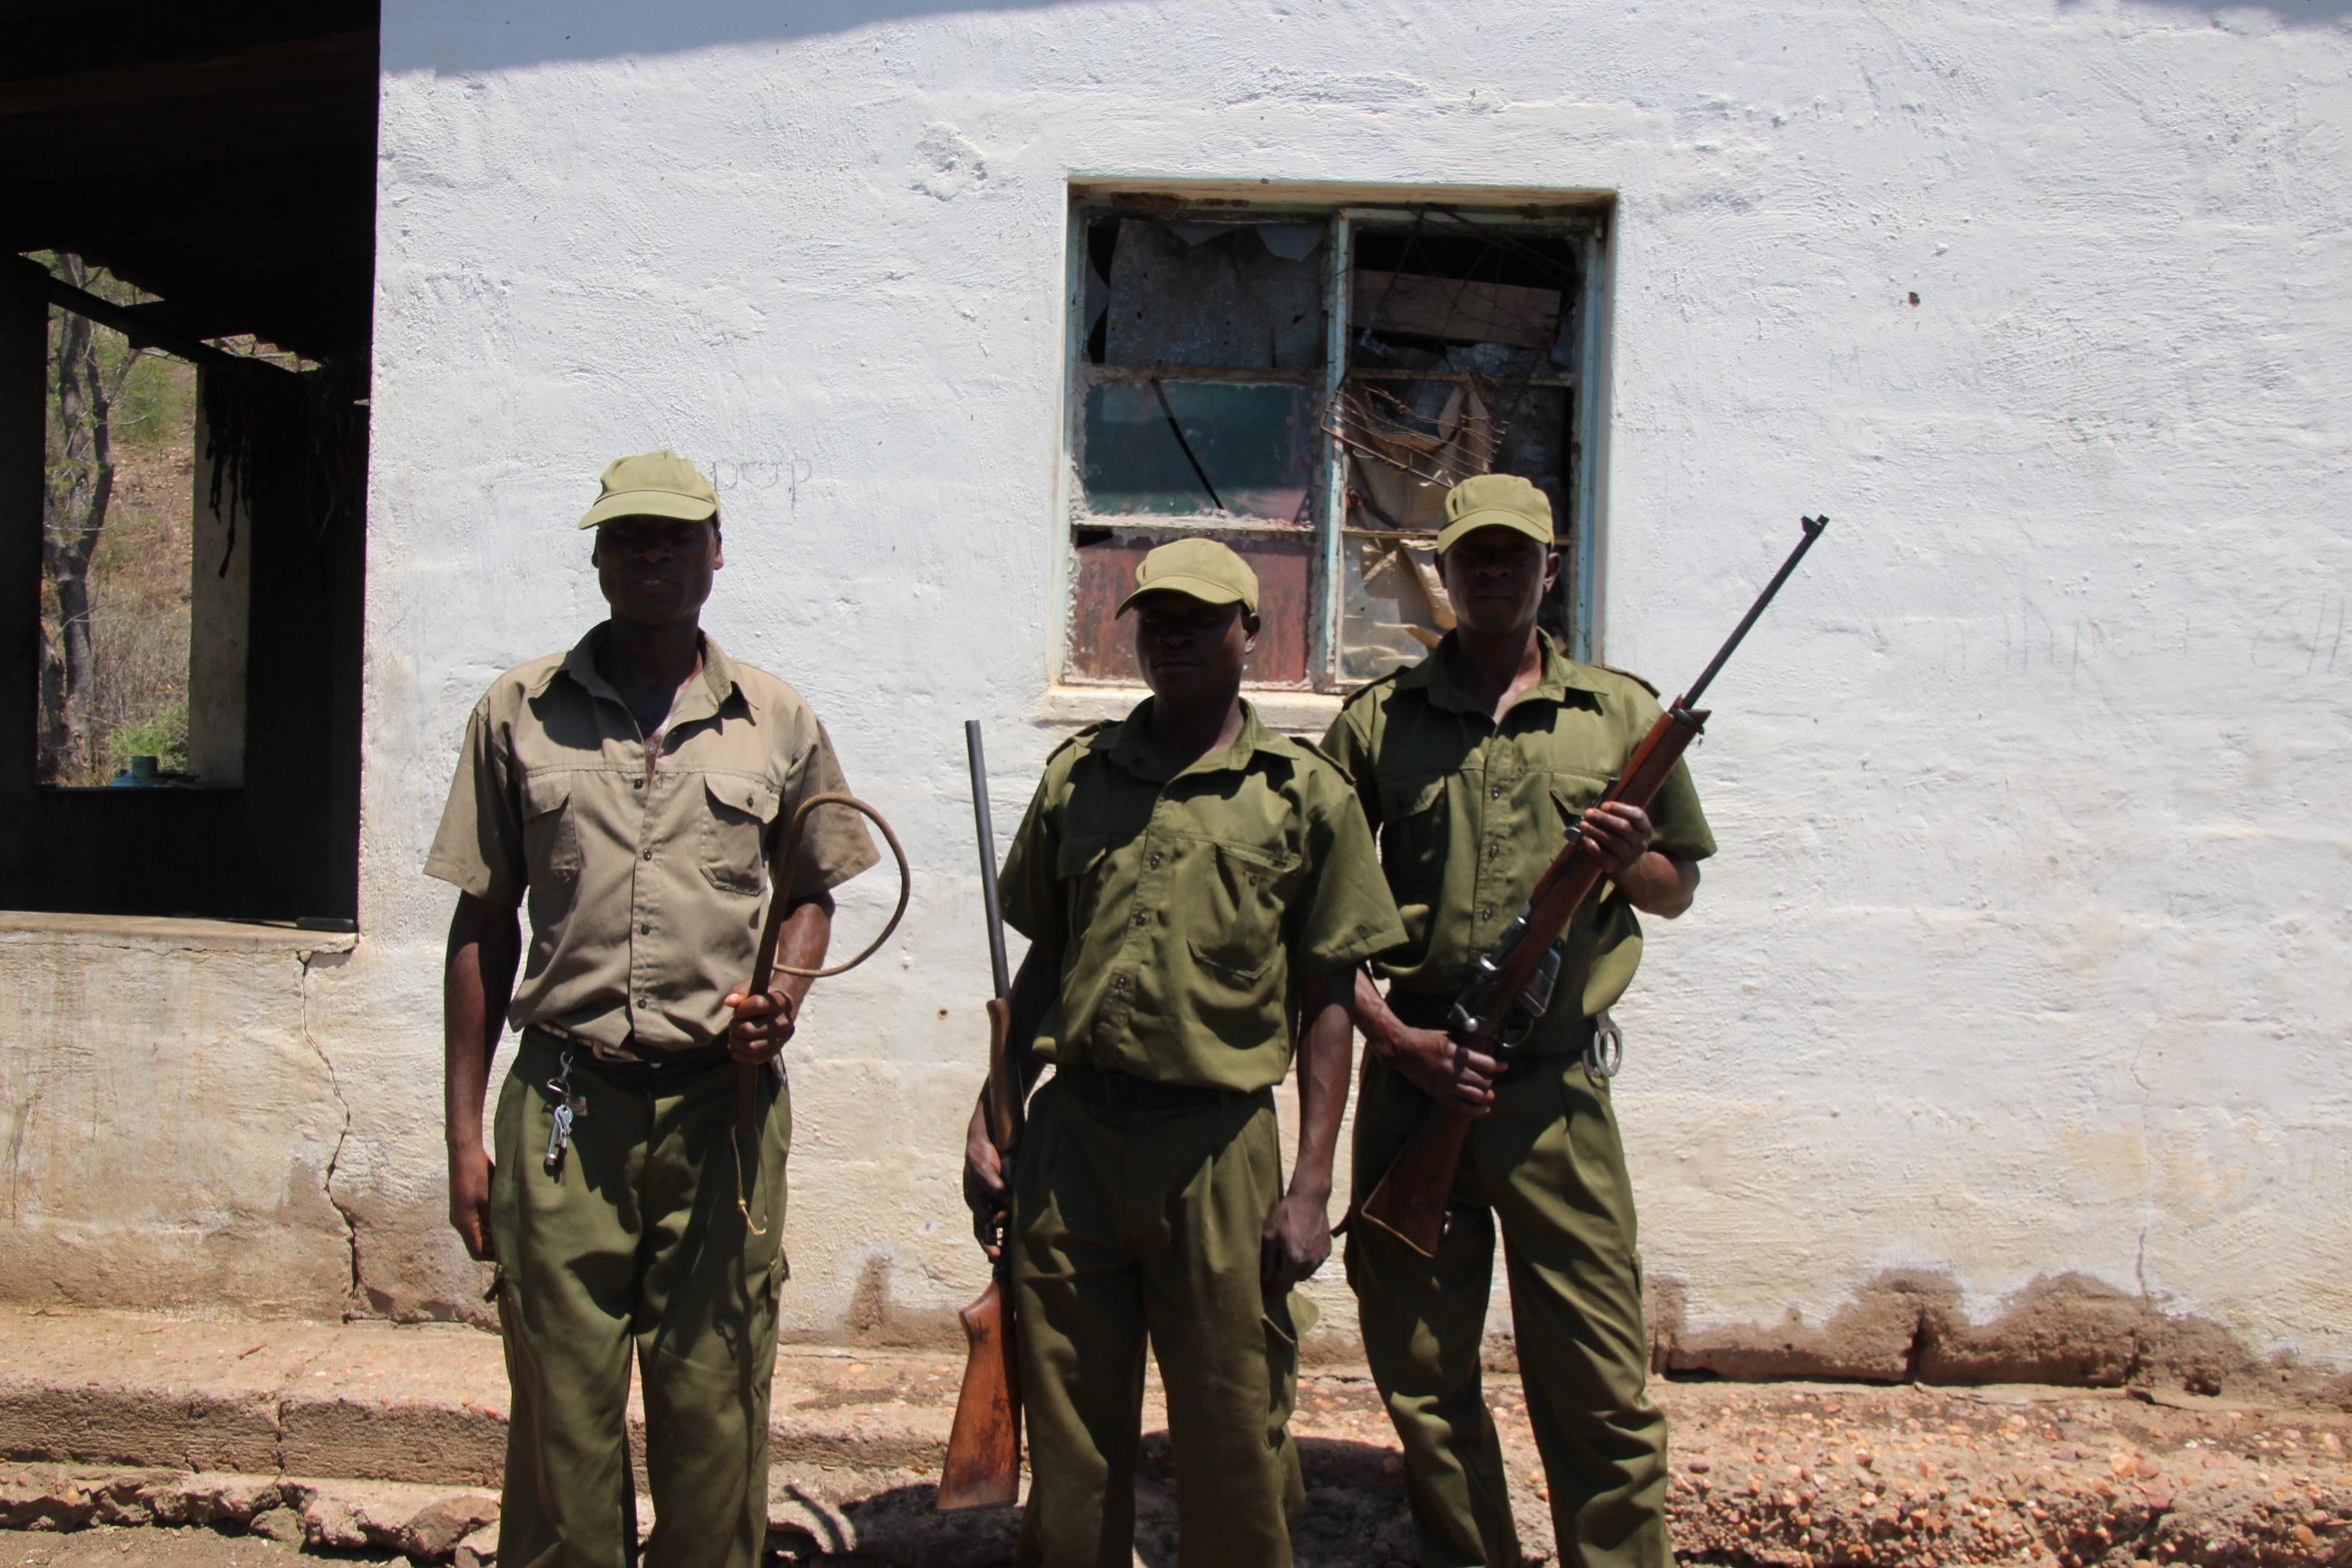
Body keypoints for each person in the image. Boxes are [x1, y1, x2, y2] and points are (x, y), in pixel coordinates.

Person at [427, 450, 877, 1568]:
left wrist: (782, 996)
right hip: (567, 1109)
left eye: (678, 536)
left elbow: (810, 889)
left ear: (716, 552)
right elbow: (480, 924)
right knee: (561, 1408)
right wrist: (462, 1139)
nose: (654, 556)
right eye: (630, 537)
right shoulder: (517, 712)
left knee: (715, 1395)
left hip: (720, 1111)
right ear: (597, 555)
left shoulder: (774, 719)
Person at [961, 538, 1406, 1568]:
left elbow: (1329, 997)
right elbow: (1042, 963)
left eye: (1202, 619)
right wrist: (995, 1108)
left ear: (1251, 630)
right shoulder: (1083, 777)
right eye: (1157, 619)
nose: (1175, 638)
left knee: (1231, 1430)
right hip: (1075, 1145)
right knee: (1072, 1438)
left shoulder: (1303, 794)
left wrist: (1308, 1182)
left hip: (1218, 1155)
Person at [1321, 475, 1716, 1568]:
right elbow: (1314, 925)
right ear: (1443, 571)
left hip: (1553, 1098)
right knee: (1423, 1378)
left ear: (1551, 567)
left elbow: (1676, 886)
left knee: (1596, 1383)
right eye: (1473, 556)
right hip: (1416, 1083)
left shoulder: (1622, 717)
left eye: (1518, 554)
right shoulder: (1378, 725)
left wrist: (1624, 853)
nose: (1494, 572)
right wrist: (1400, 1043)